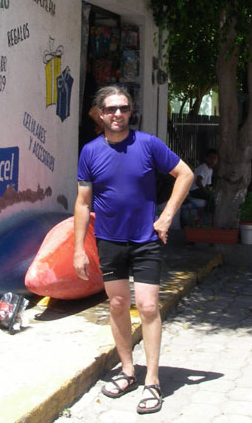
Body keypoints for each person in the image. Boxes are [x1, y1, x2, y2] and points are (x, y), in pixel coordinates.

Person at [74, 85, 194, 415]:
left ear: (131, 111)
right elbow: (83, 202)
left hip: (145, 240)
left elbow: (185, 174)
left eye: (123, 108)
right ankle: (127, 370)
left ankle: (152, 380)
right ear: (100, 113)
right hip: (109, 241)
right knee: (117, 304)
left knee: (148, 306)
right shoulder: (89, 152)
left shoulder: (148, 144)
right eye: (111, 109)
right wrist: (78, 249)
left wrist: (166, 216)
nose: (118, 114)